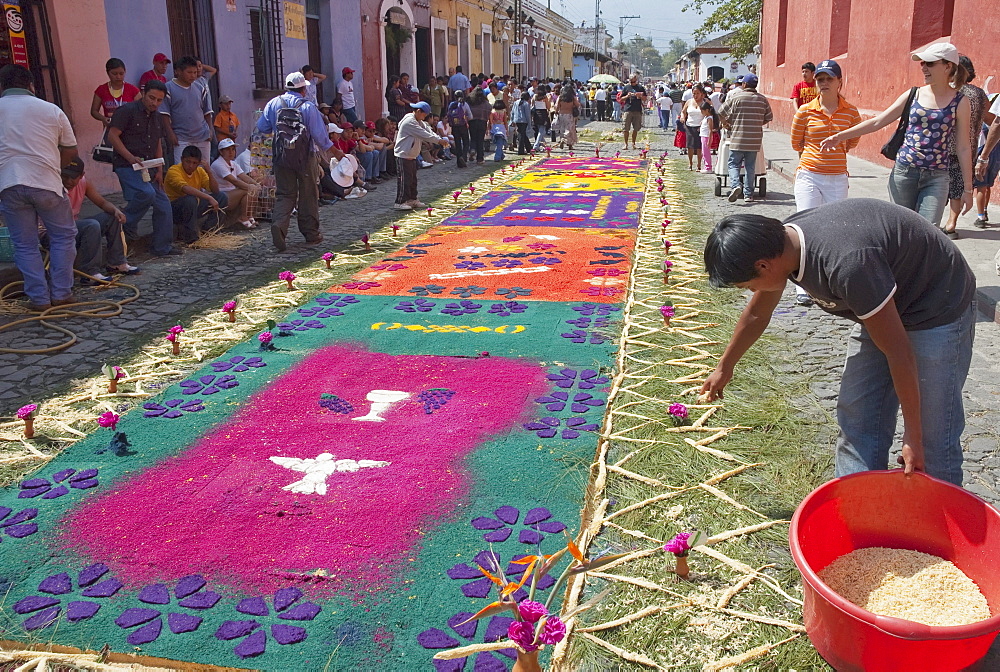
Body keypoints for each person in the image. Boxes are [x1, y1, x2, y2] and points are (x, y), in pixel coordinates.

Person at [701, 200, 976, 486]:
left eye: (748, 285)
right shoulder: (782, 247)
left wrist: (912, 436)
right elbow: (758, 313)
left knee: (933, 437)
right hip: (878, 304)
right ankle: (859, 508)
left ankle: (940, 522)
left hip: (936, 305)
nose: (752, 291)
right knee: (858, 418)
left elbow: (898, 352)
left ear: (763, 265)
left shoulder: (847, 263)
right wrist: (725, 366)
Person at [820, 43, 972, 225]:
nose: (923, 67)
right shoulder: (913, 94)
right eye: (922, 63)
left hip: (937, 176)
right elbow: (878, 121)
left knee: (928, 231)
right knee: (901, 228)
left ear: (948, 66)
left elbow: (963, 147)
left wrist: (968, 190)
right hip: (905, 172)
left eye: (929, 63)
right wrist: (840, 136)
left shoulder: (960, 102)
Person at [0, 64, 79, 310]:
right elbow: (70, 150)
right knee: (63, 237)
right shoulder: (51, 110)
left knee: (24, 244)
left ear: (3, 86)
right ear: (31, 85)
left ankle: (39, 299)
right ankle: (62, 293)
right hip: (47, 183)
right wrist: (55, 168)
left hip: (10, 184)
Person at [255, 71, 336, 251]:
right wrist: (335, 152)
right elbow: (320, 137)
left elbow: (262, 127)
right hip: (304, 157)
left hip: (281, 156)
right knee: (308, 194)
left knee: (285, 194)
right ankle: (311, 234)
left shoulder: (273, 103)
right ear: (303, 89)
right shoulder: (307, 107)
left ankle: (279, 225)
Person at [106, 79, 178, 257]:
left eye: (159, 100)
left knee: (163, 204)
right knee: (146, 194)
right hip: (127, 165)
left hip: (150, 167)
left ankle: (162, 247)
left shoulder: (157, 116)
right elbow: (113, 136)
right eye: (152, 98)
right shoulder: (127, 111)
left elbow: (157, 143)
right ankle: (123, 222)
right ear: (143, 93)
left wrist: (160, 169)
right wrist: (130, 157)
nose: (154, 103)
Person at [58, 157, 135, 283]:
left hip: (73, 226)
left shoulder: (84, 183)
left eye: (73, 177)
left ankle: (117, 263)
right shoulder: (53, 185)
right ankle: (89, 272)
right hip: (55, 230)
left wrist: (116, 210)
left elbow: (102, 202)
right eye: (65, 176)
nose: (68, 181)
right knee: (91, 225)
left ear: (81, 175)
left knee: (112, 217)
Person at [942, 56, 989, 239]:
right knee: (958, 187)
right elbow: (989, 119)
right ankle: (952, 223)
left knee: (938, 185)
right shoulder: (980, 94)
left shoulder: (950, 91)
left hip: (944, 147)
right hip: (968, 149)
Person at [718, 73, 772, 203]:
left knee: (733, 164)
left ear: (744, 84)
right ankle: (749, 194)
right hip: (754, 139)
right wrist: (757, 123)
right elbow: (768, 117)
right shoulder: (762, 99)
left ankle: (736, 185)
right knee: (750, 166)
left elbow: (721, 112)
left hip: (737, 137)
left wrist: (727, 124)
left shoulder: (737, 97)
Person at [164, 144, 227, 244]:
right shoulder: (173, 170)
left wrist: (209, 172)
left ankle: (210, 231)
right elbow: (185, 188)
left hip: (193, 205)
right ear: (181, 159)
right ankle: (191, 238)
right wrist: (208, 197)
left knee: (222, 197)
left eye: (194, 163)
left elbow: (215, 190)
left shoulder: (200, 171)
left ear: (198, 163)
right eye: (188, 162)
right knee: (190, 199)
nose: (190, 166)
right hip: (174, 209)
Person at [393, 101, 449, 211]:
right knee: (404, 179)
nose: (425, 117)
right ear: (418, 111)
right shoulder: (410, 122)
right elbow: (424, 134)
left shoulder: (418, 120)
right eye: (424, 115)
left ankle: (412, 199)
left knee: (413, 179)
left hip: (412, 154)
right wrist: (438, 141)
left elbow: (427, 129)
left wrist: (438, 138)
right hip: (403, 154)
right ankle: (400, 201)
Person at [161, 55, 215, 164]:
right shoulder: (168, 88)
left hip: (202, 136)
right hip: (181, 138)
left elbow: (207, 111)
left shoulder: (201, 87)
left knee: (203, 170)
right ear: (178, 72)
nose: (193, 76)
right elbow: (164, 114)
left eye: (195, 72)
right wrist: (170, 133)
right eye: (189, 72)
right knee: (181, 171)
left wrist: (210, 130)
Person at [210, 138, 260, 228]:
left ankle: (249, 216)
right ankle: (243, 217)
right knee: (247, 190)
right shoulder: (218, 164)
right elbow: (234, 181)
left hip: (231, 193)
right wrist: (250, 187)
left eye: (233, 149)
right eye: (227, 150)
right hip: (221, 195)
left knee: (251, 190)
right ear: (221, 152)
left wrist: (256, 184)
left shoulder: (233, 163)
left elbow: (243, 176)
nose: (231, 152)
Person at [91, 58, 141, 130]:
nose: (118, 77)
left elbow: (141, 109)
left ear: (125, 72)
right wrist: (103, 119)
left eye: (121, 73)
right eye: (114, 74)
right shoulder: (101, 90)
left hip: (130, 130)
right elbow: (94, 111)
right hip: (110, 129)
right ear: (108, 73)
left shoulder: (133, 90)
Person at [974, 93, 1000, 226]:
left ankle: (981, 216)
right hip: (996, 156)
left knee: (981, 186)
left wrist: (982, 158)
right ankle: (984, 210)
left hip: (985, 153)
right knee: (988, 186)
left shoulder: (984, 124)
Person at [680, 85, 706, 170]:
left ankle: (699, 164)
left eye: (697, 93)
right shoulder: (689, 102)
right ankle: (690, 163)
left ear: (701, 94)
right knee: (690, 145)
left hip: (700, 126)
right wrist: (683, 117)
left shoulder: (704, 102)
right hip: (690, 126)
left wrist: (705, 120)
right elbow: (683, 111)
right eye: (694, 93)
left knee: (699, 146)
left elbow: (710, 113)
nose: (695, 95)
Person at [447, 90, 472, 167]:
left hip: (454, 127)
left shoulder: (451, 104)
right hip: (462, 125)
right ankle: (464, 156)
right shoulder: (464, 104)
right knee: (466, 142)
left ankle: (459, 162)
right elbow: (470, 116)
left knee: (457, 143)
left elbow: (448, 114)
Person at [620, 75, 647, 150]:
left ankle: (633, 143)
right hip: (628, 109)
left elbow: (645, 99)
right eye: (631, 81)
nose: (632, 83)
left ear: (636, 80)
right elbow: (621, 99)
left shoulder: (640, 88)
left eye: (634, 81)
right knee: (625, 128)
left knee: (636, 128)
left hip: (637, 110)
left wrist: (640, 96)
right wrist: (627, 96)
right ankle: (625, 144)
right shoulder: (626, 87)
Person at [467, 86, 491, 165]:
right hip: (482, 121)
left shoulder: (470, 102)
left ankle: (472, 149)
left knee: (473, 138)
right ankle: (480, 158)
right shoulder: (485, 103)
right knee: (480, 140)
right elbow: (490, 109)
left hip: (472, 121)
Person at [555, 85, 580, 150]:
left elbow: (557, 106)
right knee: (570, 130)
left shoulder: (560, 97)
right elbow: (578, 105)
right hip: (569, 115)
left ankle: (562, 139)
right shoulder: (572, 98)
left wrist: (556, 112)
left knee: (562, 129)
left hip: (561, 114)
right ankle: (569, 144)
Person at [699, 100, 717, 173]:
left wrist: (710, 140)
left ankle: (708, 167)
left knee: (706, 152)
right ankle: (706, 166)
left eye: (702, 111)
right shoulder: (706, 117)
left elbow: (710, 130)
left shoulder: (709, 118)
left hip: (706, 136)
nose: (701, 112)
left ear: (707, 110)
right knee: (703, 152)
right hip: (703, 135)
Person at [531, 85, 550, 151]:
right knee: (541, 131)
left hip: (536, 113)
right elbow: (548, 106)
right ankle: (536, 145)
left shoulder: (535, 96)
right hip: (543, 113)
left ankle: (544, 145)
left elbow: (532, 105)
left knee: (539, 129)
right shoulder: (545, 97)